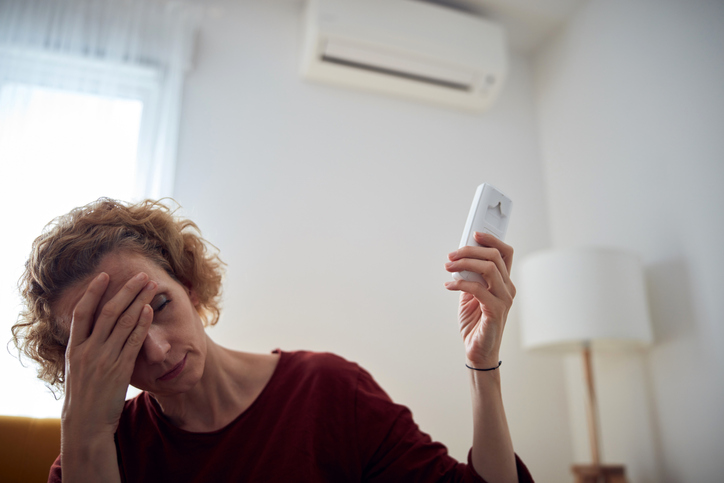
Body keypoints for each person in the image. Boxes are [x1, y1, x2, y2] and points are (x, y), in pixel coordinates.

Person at [11, 198, 533, 483]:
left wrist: (482, 366)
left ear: (188, 287)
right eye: (117, 340)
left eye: (160, 308)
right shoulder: (96, 452)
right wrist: (84, 431)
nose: (159, 350)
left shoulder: (327, 392)